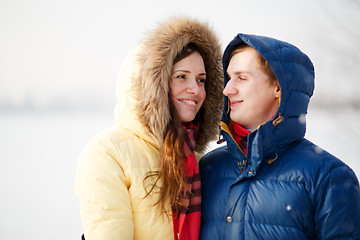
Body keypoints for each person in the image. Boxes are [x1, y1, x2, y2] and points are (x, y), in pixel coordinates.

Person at [199, 33, 360, 240]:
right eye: (229, 78)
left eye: (241, 77)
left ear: (278, 87)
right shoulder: (208, 168)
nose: (227, 90)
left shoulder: (329, 177)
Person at [74, 17, 223, 240]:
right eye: (181, 77)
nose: (195, 89)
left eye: (201, 80)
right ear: (153, 85)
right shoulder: (108, 152)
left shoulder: (196, 158)